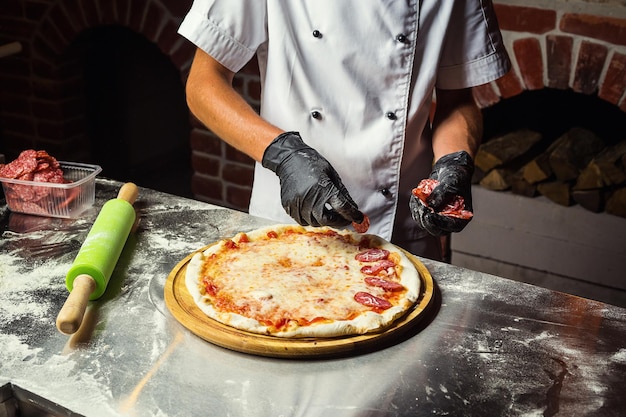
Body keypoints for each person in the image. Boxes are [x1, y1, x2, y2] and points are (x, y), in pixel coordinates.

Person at [178, 1, 511, 260]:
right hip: (290, 225)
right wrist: (283, 154)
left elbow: (458, 99)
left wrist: (455, 160)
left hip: (402, 229)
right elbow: (204, 85)